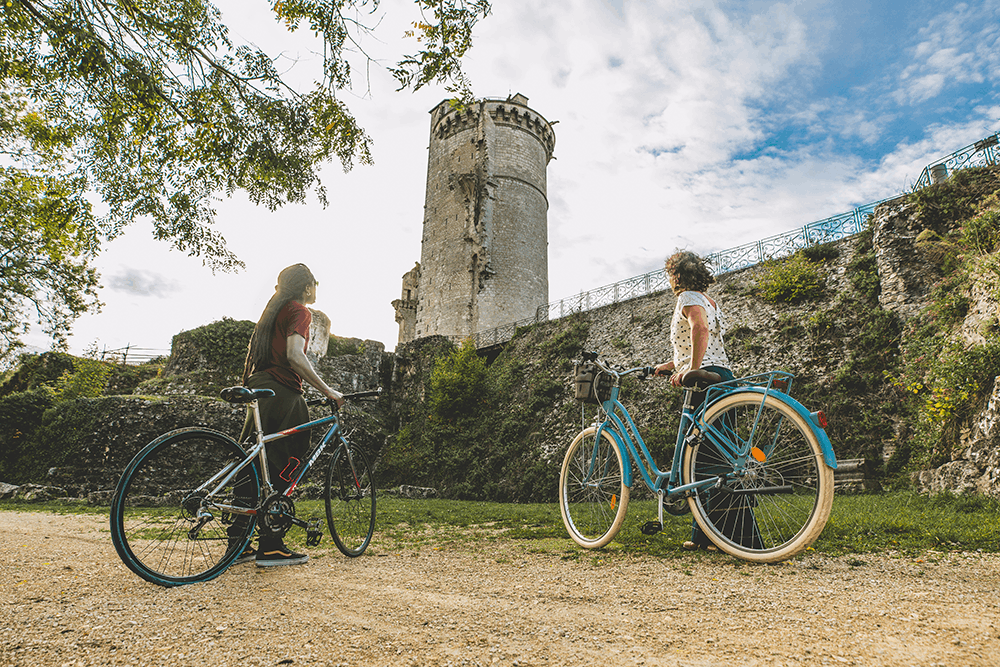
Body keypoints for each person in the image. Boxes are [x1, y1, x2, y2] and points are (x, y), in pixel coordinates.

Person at [230, 263, 345, 567]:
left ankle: (238, 542)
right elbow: (295, 356)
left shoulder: (272, 312)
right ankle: (271, 544)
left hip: (260, 386)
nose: (316, 289)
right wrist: (328, 390)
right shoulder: (300, 311)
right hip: (282, 391)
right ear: (307, 287)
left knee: (253, 464)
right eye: (314, 284)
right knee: (285, 460)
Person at [653, 250, 754, 552]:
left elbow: (700, 329)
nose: (670, 279)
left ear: (678, 275)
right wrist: (671, 365)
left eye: (670, 273)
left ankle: (728, 537)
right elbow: (698, 342)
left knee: (703, 459)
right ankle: (708, 536)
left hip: (705, 378)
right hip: (723, 377)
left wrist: (692, 370)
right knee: (714, 458)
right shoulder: (710, 301)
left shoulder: (687, 298)